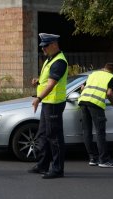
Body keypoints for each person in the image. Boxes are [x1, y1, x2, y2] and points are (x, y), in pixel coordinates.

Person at [28, 33, 68, 179]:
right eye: (42, 47)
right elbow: (47, 80)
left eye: (45, 46)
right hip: (48, 103)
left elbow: (52, 84)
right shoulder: (50, 59)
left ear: (54, 44)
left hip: (54, 104)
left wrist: (38, 98)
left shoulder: (59, 62)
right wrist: (38, 81)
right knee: (43, 135)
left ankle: (57, 170)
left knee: (55, 137)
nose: (43, 49)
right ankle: (42, 165)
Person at [78, 63, 113, 168]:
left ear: (104, 68)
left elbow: (82, 88)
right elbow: (109, 93)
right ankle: (104, 160)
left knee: (87, 131)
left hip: (83, 102)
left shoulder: (93, 74)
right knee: (100, 132)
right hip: (96, 104)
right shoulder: (111, 77)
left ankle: (93, 158)